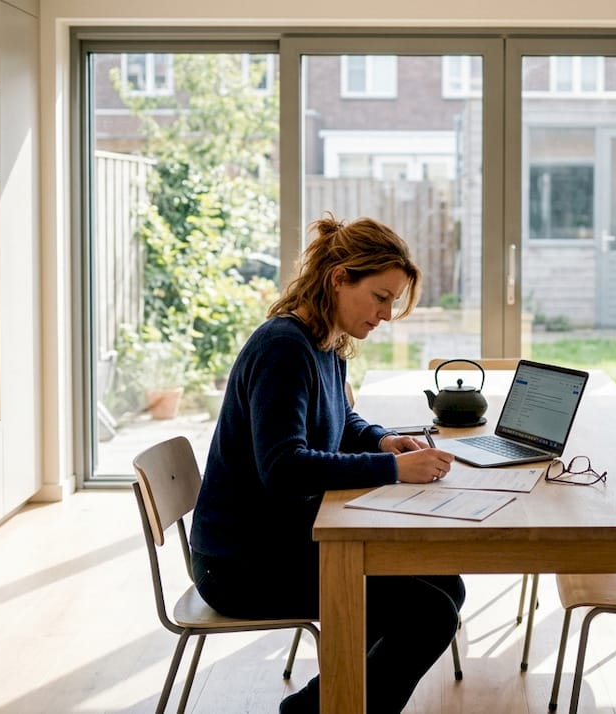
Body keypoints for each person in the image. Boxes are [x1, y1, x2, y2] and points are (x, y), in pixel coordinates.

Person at [189, 214, 464, 714]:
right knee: (428, 615)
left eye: (393, 302)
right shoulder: (283, 349)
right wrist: (394, 472)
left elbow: (339, 420)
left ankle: (327, 703)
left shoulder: (325, 340)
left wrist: (382, 442)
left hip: (284, 537)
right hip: (240, 562)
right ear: (340, 277)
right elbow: (285, 467)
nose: (385, 314)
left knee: (445, 585)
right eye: (381, 297)